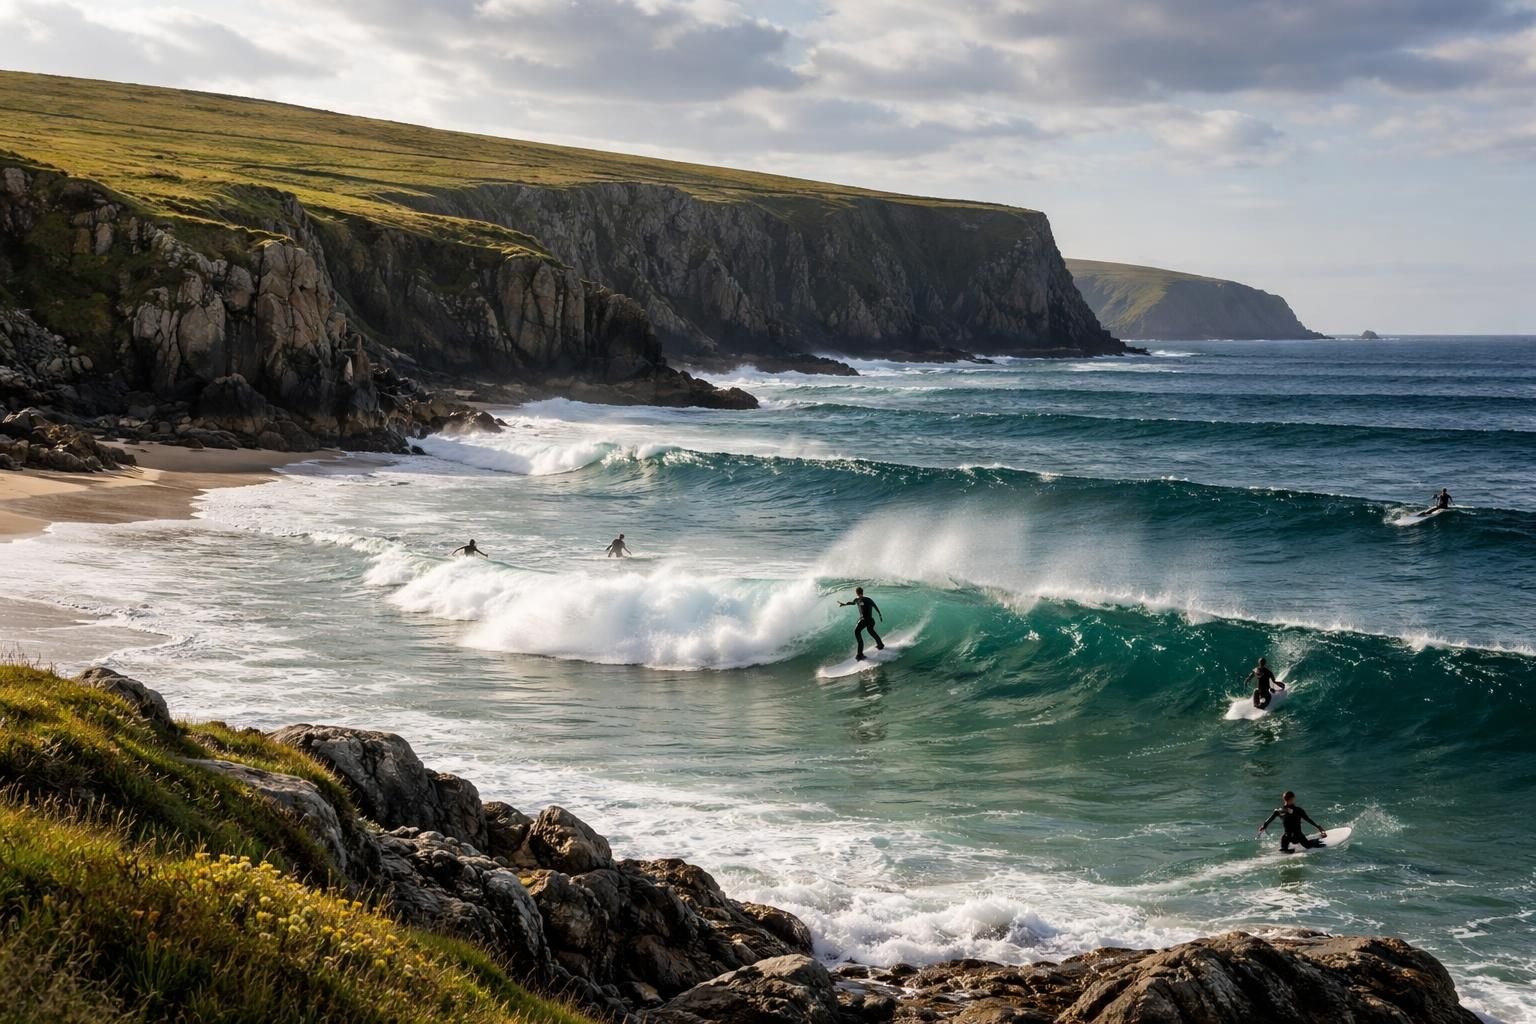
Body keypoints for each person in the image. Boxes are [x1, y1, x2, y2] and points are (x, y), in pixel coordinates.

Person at [1258, 790, 1327, 852]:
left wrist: (1263, 826)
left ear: (1284, 799)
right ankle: (1316, 840)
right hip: (1298, 836)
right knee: (1309, 846)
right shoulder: (1298, 810)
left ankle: (1286, 849)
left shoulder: (1278, 811)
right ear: (1293, 798)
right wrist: (1318, 827)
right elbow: (1308, 819)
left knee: (1284, 850)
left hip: (1286, 836)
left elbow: (1269, 820)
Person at [838, 586, 885, 661]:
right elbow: (875, 606)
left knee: (857, 632)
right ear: (862, 592)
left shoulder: (858, 600)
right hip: (871, 620)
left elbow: (852, 603)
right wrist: (880, 615)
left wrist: (844, 604)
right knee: (871, 631)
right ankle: (880, 645)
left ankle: (860, 654)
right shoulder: (868, 599)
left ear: (856, 593)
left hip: (864, 620)